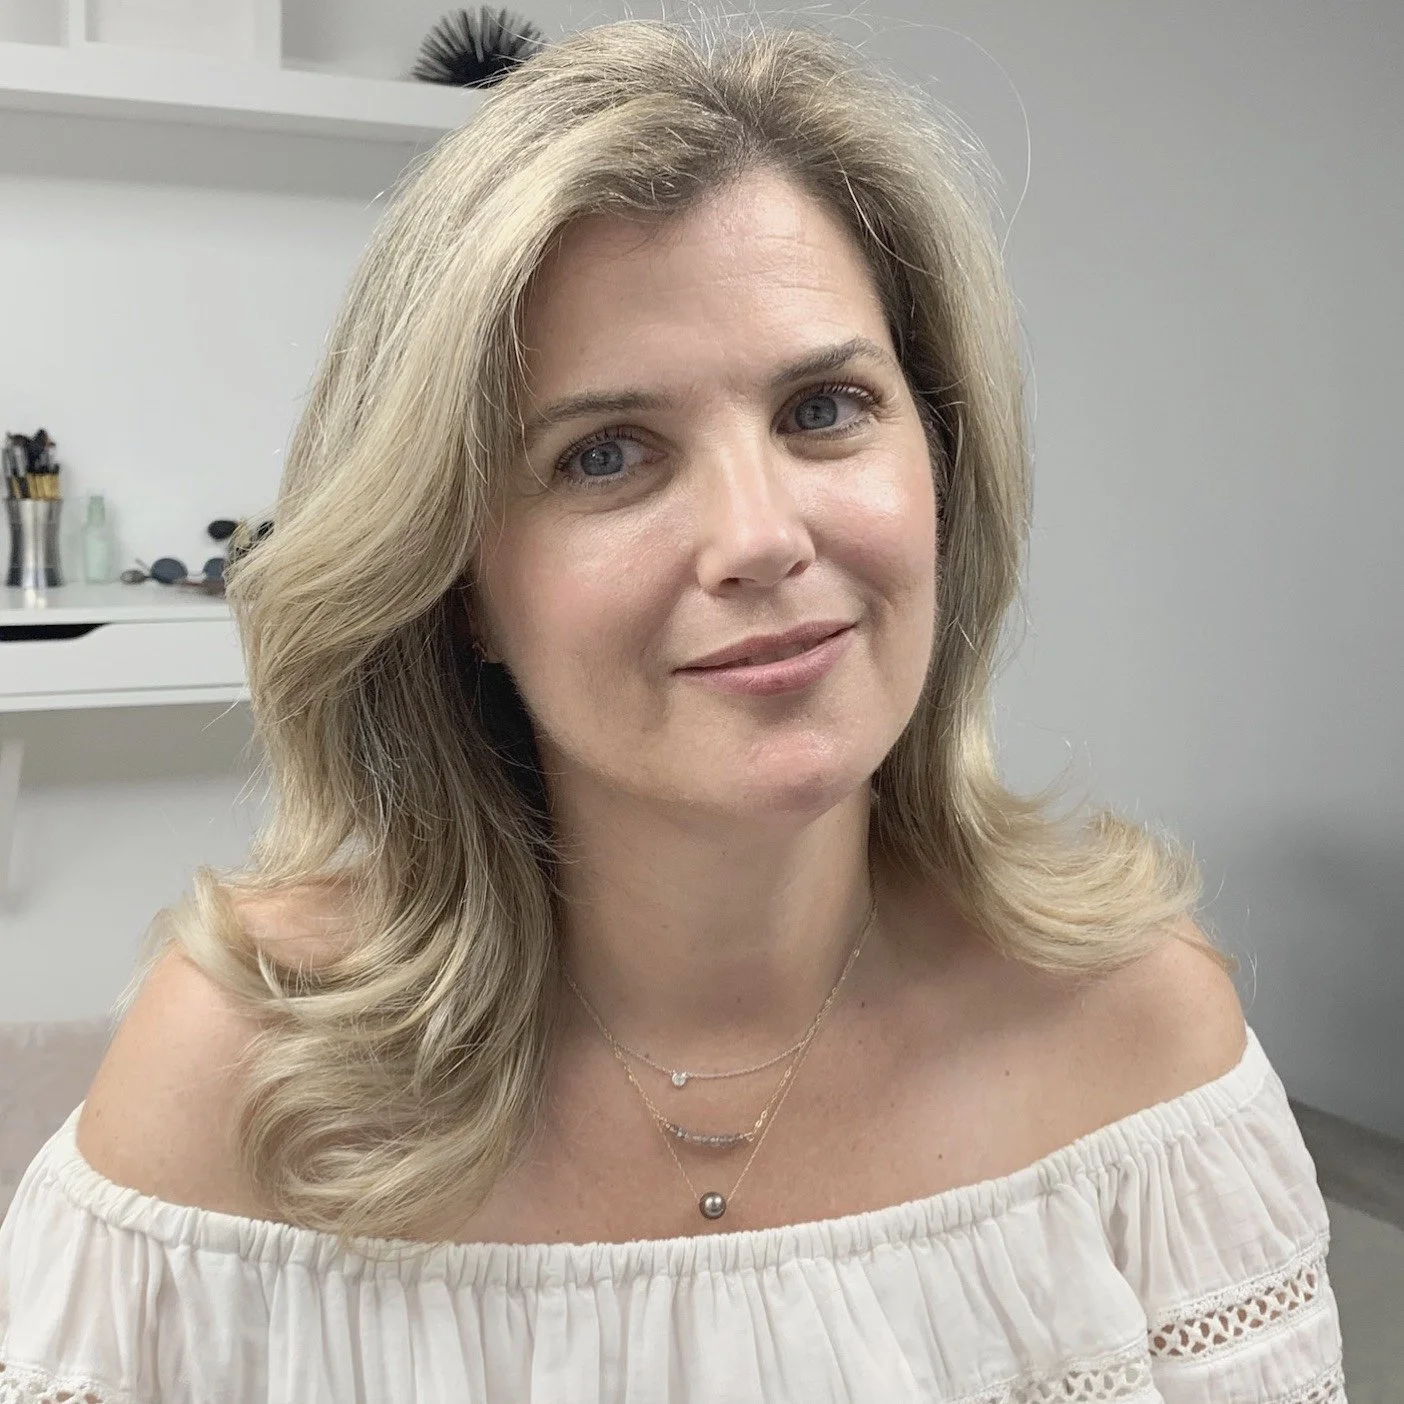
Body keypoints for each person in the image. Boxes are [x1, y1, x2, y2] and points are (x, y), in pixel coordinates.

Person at [0, 16, 1346, 1403]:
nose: (759, 538)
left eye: (824, 408)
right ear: (460, 577)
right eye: (607, 453)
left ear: (940, 463)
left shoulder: (1135, 1036)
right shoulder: (238, 1085)